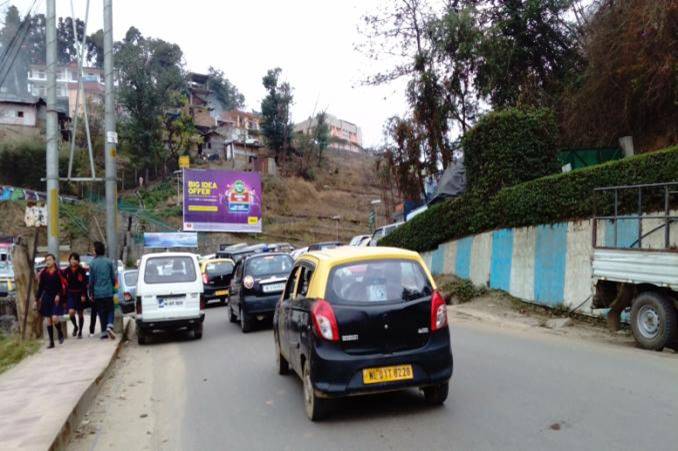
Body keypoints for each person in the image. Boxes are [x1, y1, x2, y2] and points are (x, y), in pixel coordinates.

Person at [36, 254, 66, 348]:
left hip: (56, 298)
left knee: (54, 318)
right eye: (46, 260)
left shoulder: (59, 272)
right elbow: (40, 288)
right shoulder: (44, 273)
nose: (48, 262)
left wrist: (58, 295)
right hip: (47, 298)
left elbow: (62, 287)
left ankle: (60, 332)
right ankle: (51, 342)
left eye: (49, 259)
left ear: (54, 261)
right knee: (48, 320)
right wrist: (36, 299)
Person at [89, 241, 116, 340]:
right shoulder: (109, 262)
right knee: (110, 310)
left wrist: (91, 292)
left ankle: (103, 332)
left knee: (101, 312)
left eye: (93, 249)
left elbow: (91, 280)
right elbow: (113, 277)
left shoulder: (92, 263)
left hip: (97, 293)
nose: (92, 251)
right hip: (108, 291)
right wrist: (113, 286)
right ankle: (109, 325)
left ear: (96, 250)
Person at [63, 253, 87, 339]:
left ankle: (80, 331)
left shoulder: (81, 270)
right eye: (71, 259)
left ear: (78, 261)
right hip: (70, 293)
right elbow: (63, 283)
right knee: (71, 312)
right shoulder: (66, 271)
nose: (73, 261)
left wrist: (83, 294)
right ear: (69, 260)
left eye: (75, 259)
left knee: (80, 313)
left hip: (79, 293)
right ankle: (75, 326)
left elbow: (84, 283)